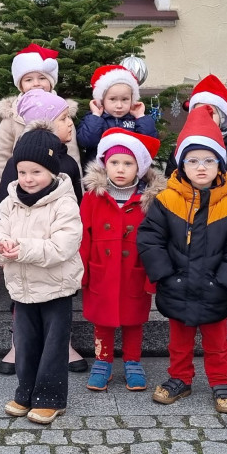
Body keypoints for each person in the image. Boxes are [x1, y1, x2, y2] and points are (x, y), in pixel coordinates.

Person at [137, 107, 227, 414]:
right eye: (193, 161)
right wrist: (166, 276)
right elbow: (150, 240)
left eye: (209, 160)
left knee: (218, 341)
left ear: (219, 164)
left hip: (216, 287)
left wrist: (225, 282)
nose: (201, 167)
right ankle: (180, 378)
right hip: (177, 283)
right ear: (181, 164)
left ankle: (221, 381)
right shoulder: (166, 200)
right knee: (179, 339)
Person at [0, 127, 83, 425]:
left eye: (36, 172)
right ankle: (25, 391)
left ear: (52, 171)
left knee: (54, 345)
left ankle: (50, 397)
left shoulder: (64, 204)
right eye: (22, 171)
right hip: (22, 287)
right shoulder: (9, 201)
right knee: (25, 344)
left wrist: (22, 248)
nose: (28, 179)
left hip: (56, 287)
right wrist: (0, 247)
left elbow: (63, 246)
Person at [80, 129, 165, 392]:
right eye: (114, 162)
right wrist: (81, 273)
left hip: (134, 271)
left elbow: (157, 241)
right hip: (101, 270)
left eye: (128, 164)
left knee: (134, 319)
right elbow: (83, 235)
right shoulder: (93, 197)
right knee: (102, 320)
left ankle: (132, 361)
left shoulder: (150, 201)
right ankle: (102, 362)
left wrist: (154, 277)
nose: (120, 169)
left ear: (139, 168)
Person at [0, 44, 81, 196]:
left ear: (51, 81)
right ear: (21, 85)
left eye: (42, 78)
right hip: (20, 186)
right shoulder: (11, 117)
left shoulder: (62, 115)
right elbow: (0, 157)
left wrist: (77, 193)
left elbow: (72, 156)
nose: (36, 83)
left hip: (58, 190)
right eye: (29, 79)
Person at [164, 75, 227, 190]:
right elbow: (172, 180)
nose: (204, 116)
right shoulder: (181, 148)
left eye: (211, 112)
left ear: (221, 119)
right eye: (198, 111)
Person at [0, 90, 82, 207]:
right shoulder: (18, 162)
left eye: (69, 117)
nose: (70, 123)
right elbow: (3, 206)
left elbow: (77, 206)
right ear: (44, 124)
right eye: (63, 118)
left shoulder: (69, 163)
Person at [76, 64, 158, 164]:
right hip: (99, 171)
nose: (119, 105)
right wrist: (96, 116)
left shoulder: (134, 119)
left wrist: (140, 117)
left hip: (129, 169)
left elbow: (149, 143)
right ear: (102, 100)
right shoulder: (93, 118)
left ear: (132, 99)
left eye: (125, 99)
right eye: (113, 99)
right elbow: (86, 141)